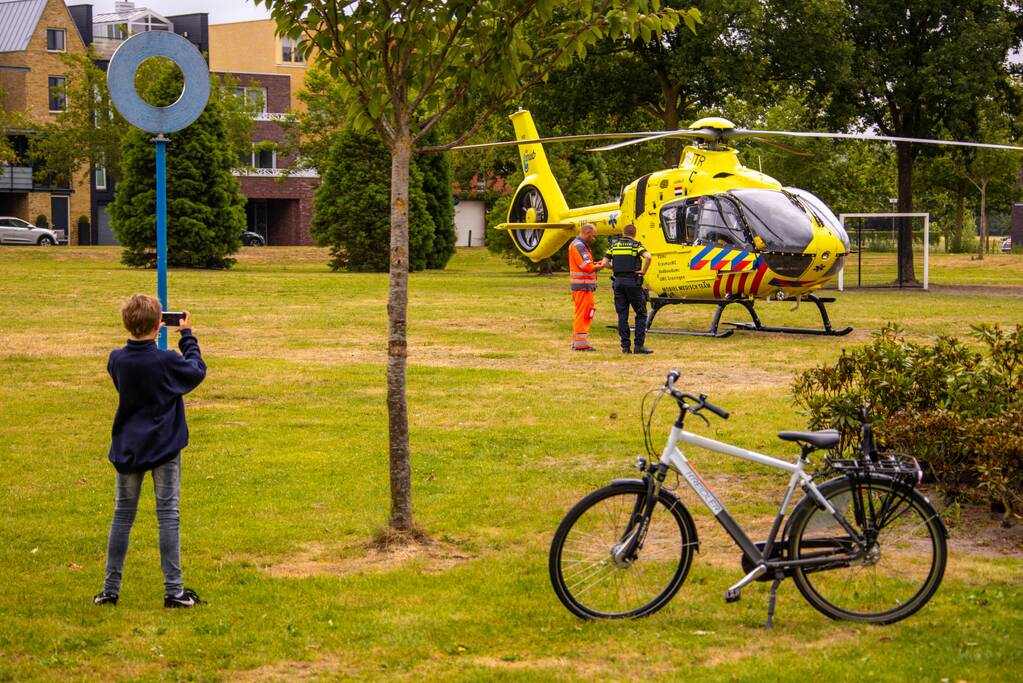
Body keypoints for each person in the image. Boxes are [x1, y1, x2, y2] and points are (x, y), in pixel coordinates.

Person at [93, 294, 207, 608]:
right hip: (165, 445)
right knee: (168, 515)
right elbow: (196, 370)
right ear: (159, 325)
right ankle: (174, 591)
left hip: (129, 446)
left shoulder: (117, 359)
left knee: (122, 516)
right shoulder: (166, 360)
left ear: (126, 324)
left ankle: (110, 590)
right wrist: (187, 335)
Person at [606, 224, 653, 354]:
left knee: (622, 315)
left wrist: (615, 267)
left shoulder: (614, 246)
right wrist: (643, 271)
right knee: (641, 313)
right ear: (634, 234)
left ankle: (625, 347)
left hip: (618, 282)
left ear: (623, 233)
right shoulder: (636, 245)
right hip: (632, 282)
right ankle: (638, 346)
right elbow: (648, 257)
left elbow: (604, 263)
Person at [568, 223, 608, 351]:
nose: (594, 238)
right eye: (593, 235)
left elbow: (587, 264)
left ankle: (579, 342)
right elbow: (587, 267)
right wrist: (601, 266)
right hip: (582, 288)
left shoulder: (581, 245)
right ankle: (581, 344)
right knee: (582, 314)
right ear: (586, 232)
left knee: (587, 313)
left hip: (584, 287)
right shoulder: (579, 246)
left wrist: (596, 264)